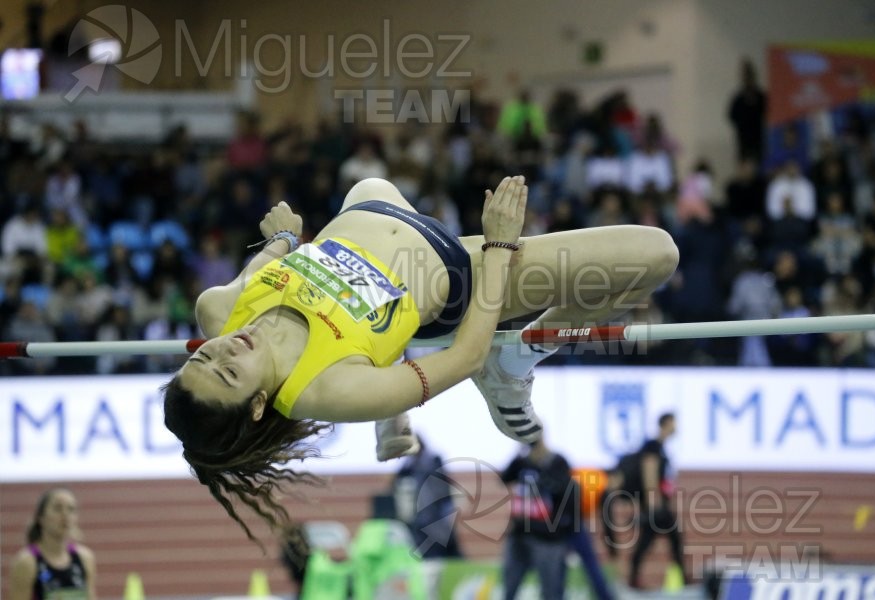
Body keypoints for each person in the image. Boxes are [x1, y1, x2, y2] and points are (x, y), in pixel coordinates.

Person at [162, 176, 679, 543]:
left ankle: (393, 408)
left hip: (373, 208)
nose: (226, 349)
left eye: (204, 358)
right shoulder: (323, 389)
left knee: (369, 184)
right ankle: (518, 359)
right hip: (458, 274)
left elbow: (262, 266)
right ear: (257, 405)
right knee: (654, 255)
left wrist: (279, 238)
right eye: (229, 372)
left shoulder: (219, 311)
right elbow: (466, 354)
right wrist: (499, 244)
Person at [500, 432, 576, 600]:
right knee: (509, 586)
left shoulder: (557, 462)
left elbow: (564, 493)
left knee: (551, 591)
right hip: (520, 533)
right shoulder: (522, 462)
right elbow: (505, 478)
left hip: (547, 536)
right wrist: (520, 452)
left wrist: (541, 464)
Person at [7, 488, 97, 600]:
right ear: (41, 517)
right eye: (57, 508)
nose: (65, 515)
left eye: (71, 509)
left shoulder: (85, 558)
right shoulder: (27, 563)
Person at [629, 413, 686, 589]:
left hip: (659, 503)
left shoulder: (661, 447)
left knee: (651, 541)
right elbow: (649, 472)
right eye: (673, 423)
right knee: (671, 539)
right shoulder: (653, 446)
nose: (676, 427)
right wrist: (654, 502)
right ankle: (682, 579)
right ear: (666, 424)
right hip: (656, 505)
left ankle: (633, 578)